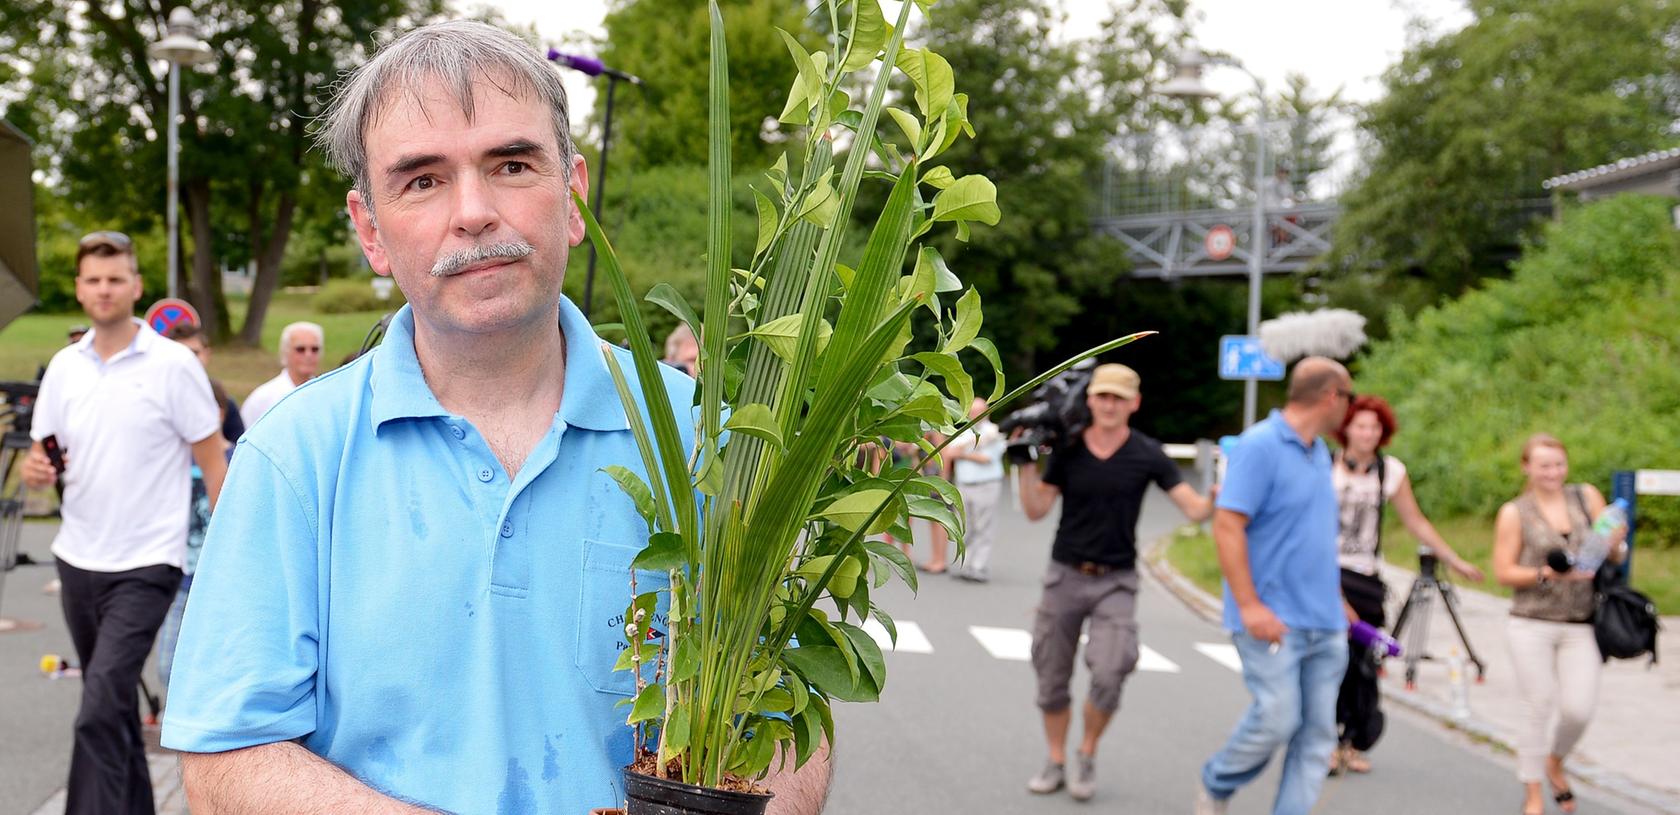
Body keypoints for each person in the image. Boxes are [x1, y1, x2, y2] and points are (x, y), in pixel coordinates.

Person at [160, 21, 830, 815]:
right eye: (422, 180)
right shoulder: (294, 457)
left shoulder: (708, 441)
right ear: (370, 231)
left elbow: (789, 722)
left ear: (573, 195)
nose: (474, 212)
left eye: (511, 164)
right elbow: (226, 758)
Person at [20, 230, 228, 815]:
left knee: (98, 704)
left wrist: (229, 554)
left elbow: (213, 460)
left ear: (136, 286)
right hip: (78, 558)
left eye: (116, 279)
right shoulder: (64, 367)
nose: (105, 289)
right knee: (108, 708)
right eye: (94, 279)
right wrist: (37, 470)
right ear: (80, 288)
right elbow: (47, 458)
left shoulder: (173, 366)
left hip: (149, 562)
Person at [1016, 363, 1215, 801]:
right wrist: (1024, 465)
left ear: (1134, 403)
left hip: (1117, 581)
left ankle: (1086, 751)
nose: (1109, 405)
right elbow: (1035, 510)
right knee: (1050, 673)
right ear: (1090, 399)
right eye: (1103, 396)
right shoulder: (1068, 449)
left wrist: (1226, 491)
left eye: (1118, 398)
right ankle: (1056, 759)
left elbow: (1196, 510)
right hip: (1065, 574)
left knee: (1111, 670)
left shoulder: (1147, 454)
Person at [1195, 357, 1351, 815]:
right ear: (1330, 396)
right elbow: (1227, 525)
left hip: (1325, 619)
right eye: (1348, 397)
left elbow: (1311, 534)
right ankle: (1216, 780)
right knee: (1277, 720)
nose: (1349, 408)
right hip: (1272, 618)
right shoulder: (1259, 445)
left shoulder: (1319, 450)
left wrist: (1337, 598)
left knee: (1317, 736)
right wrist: (1249, 605)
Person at [1330, 394, 1484, 775]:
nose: (1367, 434)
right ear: (1346, 428)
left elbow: (1416, 521)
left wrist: (1453, 559)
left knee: (1362, 665)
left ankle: (1351, 740)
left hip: (1365, 577)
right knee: (1330, 661)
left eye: (1375, 427)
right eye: (1360, 425)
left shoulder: (1390, 471)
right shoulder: (1324, 465)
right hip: (1327, 574)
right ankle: (1324, 742)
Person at [1491, 433, 1625, 815]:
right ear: (1527, 467)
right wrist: (1547, 574)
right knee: (1538, 704)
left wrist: (1617, 541)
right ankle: (1533, 793)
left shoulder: (1586, 497)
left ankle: (1555, 760)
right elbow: (1503, 571)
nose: (1553, 472)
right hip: (1531, 621)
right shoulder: (1515, 511)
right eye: (1544, 465)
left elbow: (1610, 554)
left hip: (1581, 621)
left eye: (1559, 464)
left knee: (1579, 709)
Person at [947, 397, 1006, 583]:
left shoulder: (994, 431)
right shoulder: (964, 431)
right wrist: (972, 449)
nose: (975, 415)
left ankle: (979, 566)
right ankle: (966, 564)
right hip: (964, 485)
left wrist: (962, 453)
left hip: (986, 484)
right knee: (966, 526)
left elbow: (986, 459)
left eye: (979, 411)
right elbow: (949, 453)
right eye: (972, 411)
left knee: (984, 526)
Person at [166, 322, 245, 448]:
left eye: (194, 353)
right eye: (181, 354)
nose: (188, 360)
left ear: (207, 354)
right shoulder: (159, 402)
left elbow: (239, 452)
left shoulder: (224, 402)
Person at [238, 320, 323, 427]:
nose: (308, 355)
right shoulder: (263, 398)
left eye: (314, 349)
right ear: (285, 352)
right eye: (300, 349)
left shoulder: (326, 395)